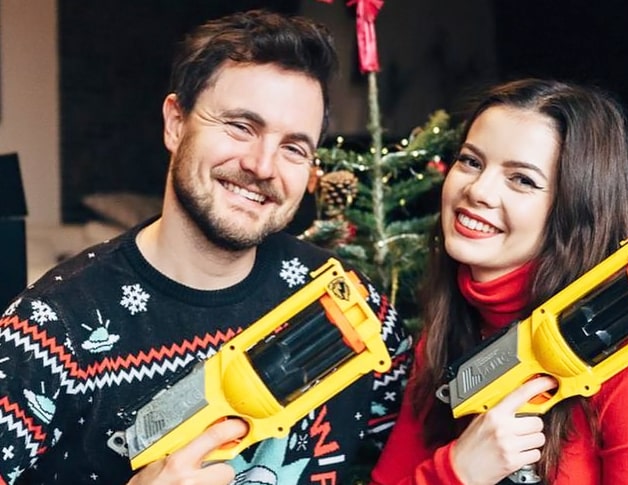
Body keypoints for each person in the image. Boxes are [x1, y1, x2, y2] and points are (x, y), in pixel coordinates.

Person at [0, 10, 411, 485]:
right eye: (240, 126)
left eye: (294, 148)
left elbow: (422, 458)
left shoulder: (347, 307)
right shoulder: (52, 331)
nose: (263, 166)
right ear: (176, 123)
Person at [370, 78, 628, 484]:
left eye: (522, 179)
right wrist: (458, 471)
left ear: (573, 210)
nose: (478, 190)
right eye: (471, 161)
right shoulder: (445, 333)